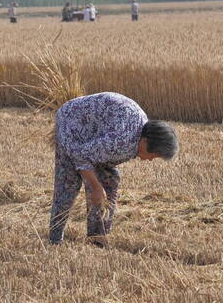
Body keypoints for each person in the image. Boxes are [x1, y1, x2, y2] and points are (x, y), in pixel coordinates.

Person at [49, 92, 178, 247]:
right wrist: (96, 187)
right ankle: (54, 240)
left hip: (95, 132)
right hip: (72, 122)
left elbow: (97, 155)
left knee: (109, 181)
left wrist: (99, 185)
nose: (150, 160)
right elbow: (80, 156)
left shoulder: (136, 134)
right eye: (153, 155)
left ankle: (97, 239)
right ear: (145, 141)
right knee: (68, 183)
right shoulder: (120, 142)